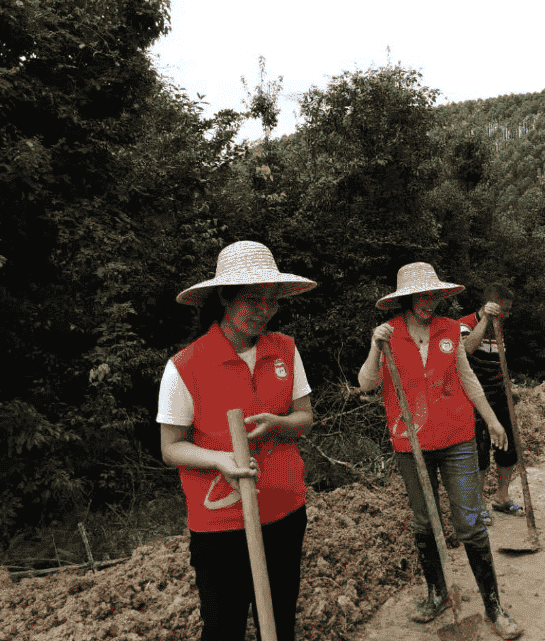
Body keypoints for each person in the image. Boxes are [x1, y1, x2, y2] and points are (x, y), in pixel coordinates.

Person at [158, 241, 317, 641]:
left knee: (280, 619)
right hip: (220, 522)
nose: (264, 311)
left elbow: (305, 419)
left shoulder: (285, 350)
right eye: (252, 300)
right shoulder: (185, 367)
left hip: (285, 511)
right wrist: (221, 460)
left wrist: (278, 424)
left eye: (271, 301)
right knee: (223, 626)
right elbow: (171, 447)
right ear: (225, 298)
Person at [358, 263, 523, 639]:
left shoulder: (451, 329)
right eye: (421, 296)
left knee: (469, 521)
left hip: (457, 437)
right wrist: (374, 346)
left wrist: (492, 420)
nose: (428, 302)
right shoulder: (388, 335)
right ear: (405, 299)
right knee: (424, 521)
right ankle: (438, 594)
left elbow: (467, 378)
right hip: (409, 441)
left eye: (434, 295)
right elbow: (366, 384)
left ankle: (493, 605)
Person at [459, 283, 521, 524]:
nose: (506, 315)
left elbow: (498, 363)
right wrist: (485, 319)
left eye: (508, 311)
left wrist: (509, 388)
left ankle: (502, 498)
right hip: (474, 399)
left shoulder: (499, 328)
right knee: (480, 452)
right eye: (504, 310)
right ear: (490, 305)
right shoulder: (465, 324)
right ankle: (479, 504)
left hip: (499, 395)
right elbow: (467, 349)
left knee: (509, 448)